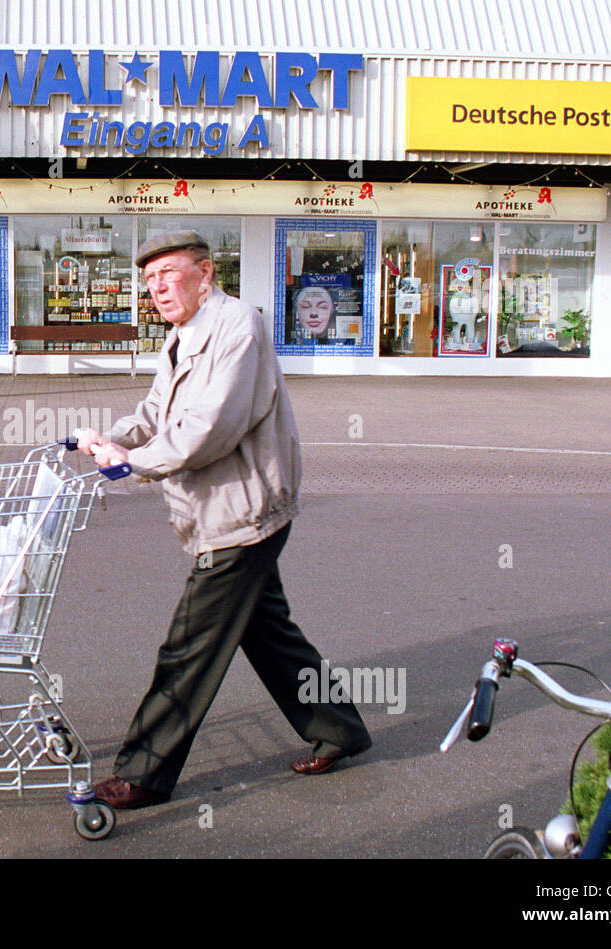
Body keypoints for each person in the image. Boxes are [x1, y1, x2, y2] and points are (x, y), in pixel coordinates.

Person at [78, 230, 372, 811]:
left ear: (206, 273)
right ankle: (340, 728)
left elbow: (212, 427)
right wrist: (111, 438)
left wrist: (132, 465)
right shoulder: (183, 336)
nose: (157, 287)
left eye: (169, 273)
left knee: (190, 648)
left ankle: (143, 772)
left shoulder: (238, 326)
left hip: (244, 512)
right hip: (219, 510)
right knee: (268, 634)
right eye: (150, 279)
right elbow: (157, 411)